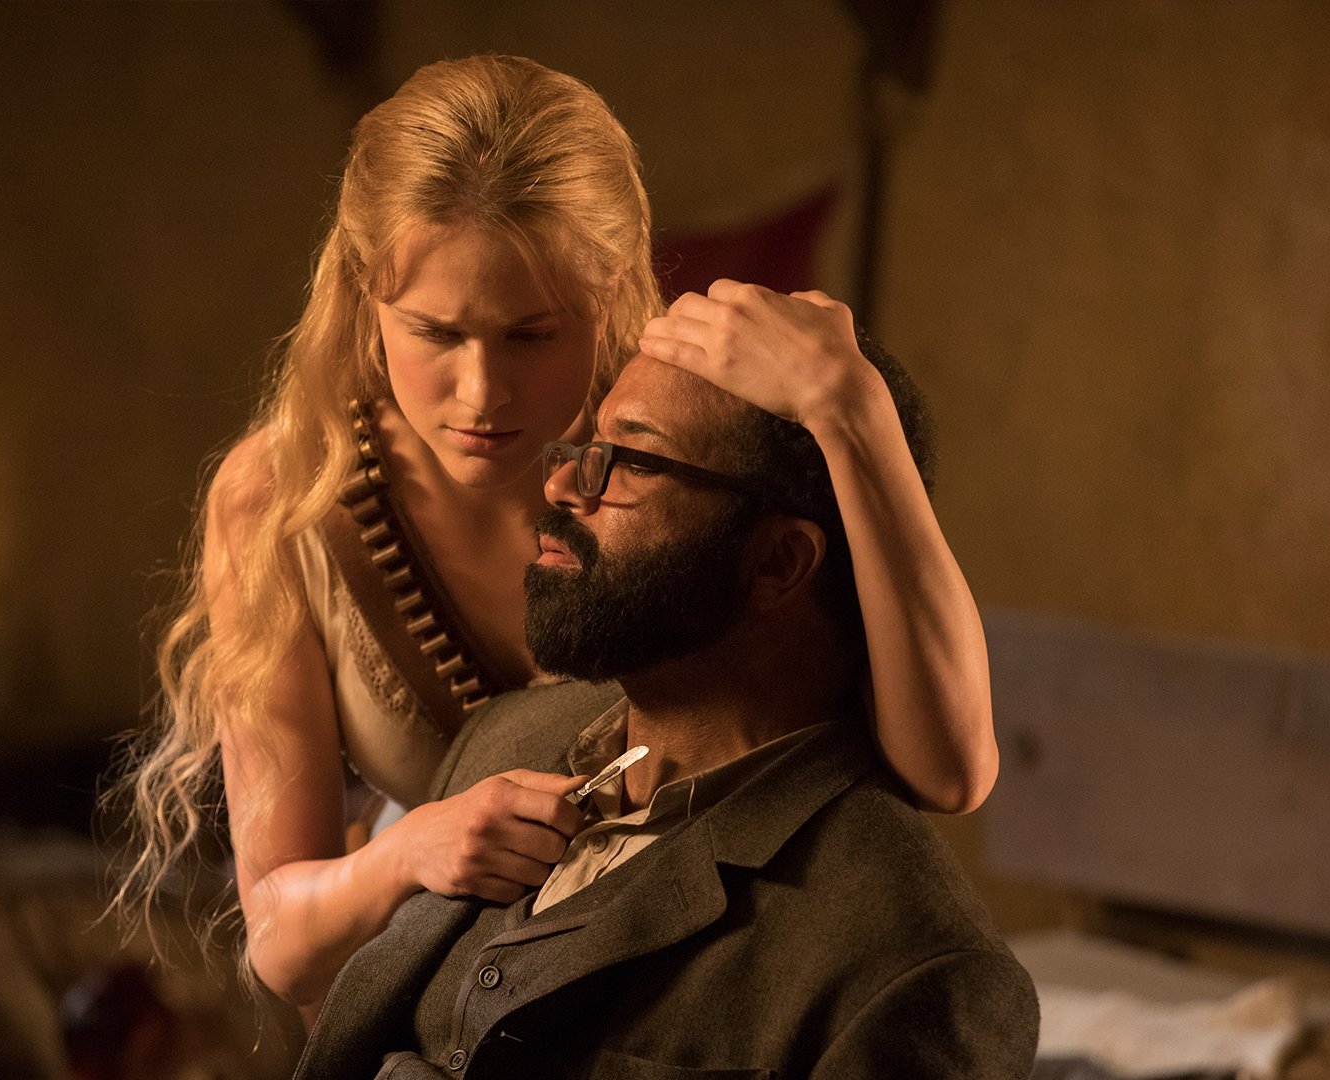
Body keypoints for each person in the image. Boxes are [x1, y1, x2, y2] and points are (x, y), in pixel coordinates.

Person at [116, 54, 999, 1025]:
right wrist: (409, 852)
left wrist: (854, 409)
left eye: (531, 335)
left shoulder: (692, 433)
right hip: (449, 1012)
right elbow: (283, 946)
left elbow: (951, 771)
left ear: (611, 287)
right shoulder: (286, 497)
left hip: (706, 994)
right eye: (435, 332)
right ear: (366, 291)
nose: (481, 394)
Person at [293, 345, 1037, 1078]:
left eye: (635, 461)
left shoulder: (908, 968)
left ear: (778, 562)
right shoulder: (506, 736)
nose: (561, 484)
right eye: (589, 445)